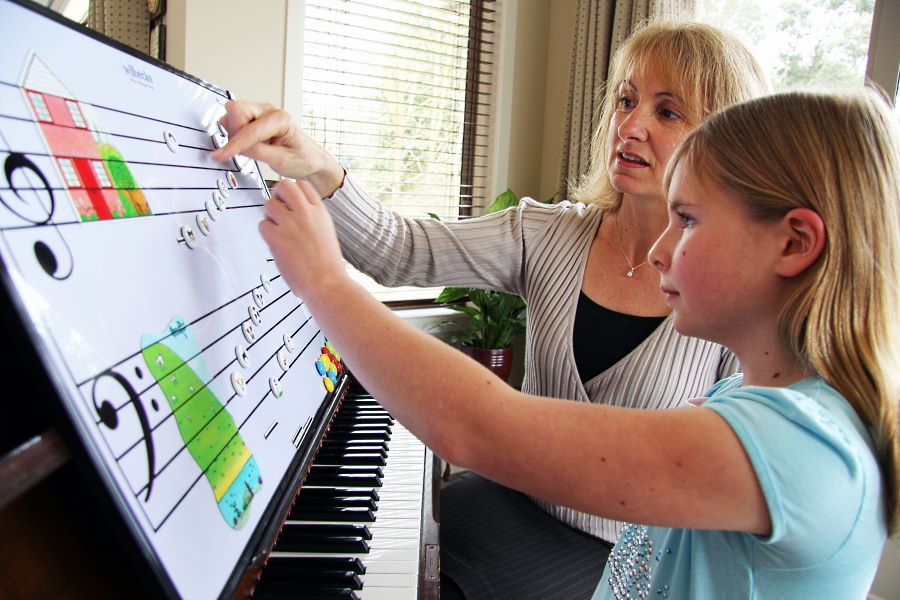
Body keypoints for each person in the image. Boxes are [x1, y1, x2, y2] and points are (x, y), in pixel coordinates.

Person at [256, 88, 899, 598]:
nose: (659, 250)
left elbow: (479, 428)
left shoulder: (796, 450)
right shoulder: (754, 399)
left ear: (793, 243)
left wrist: (324, 282)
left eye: (690, 220)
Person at [214, 21, 770, 598]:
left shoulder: (732, 301)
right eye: (626, 101)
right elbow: (399, 249)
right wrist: (314, 162)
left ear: (721, 140)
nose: (629, 127)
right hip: (501, 496)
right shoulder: (547, 233)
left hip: (620, 560)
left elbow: (720, 508)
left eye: (668, 112)